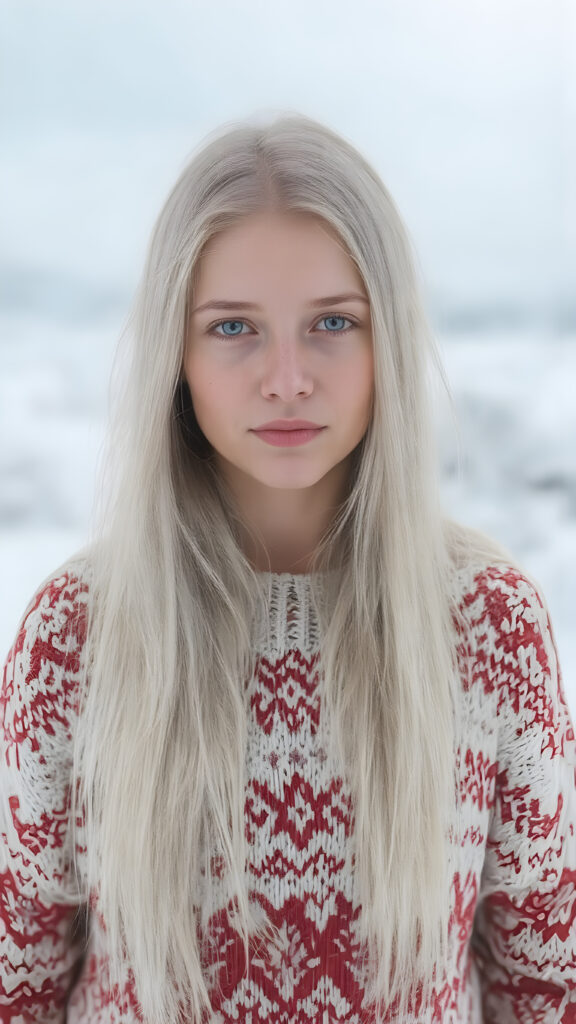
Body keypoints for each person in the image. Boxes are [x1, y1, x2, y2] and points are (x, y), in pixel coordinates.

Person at [1, 112, 575, 1024]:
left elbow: (545, 981)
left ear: (387, 339)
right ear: (175, 355)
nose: (286, 377)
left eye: (332, 324)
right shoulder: (73, 637)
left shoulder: (490, 626)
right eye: (233, 327)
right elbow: (20, 981)